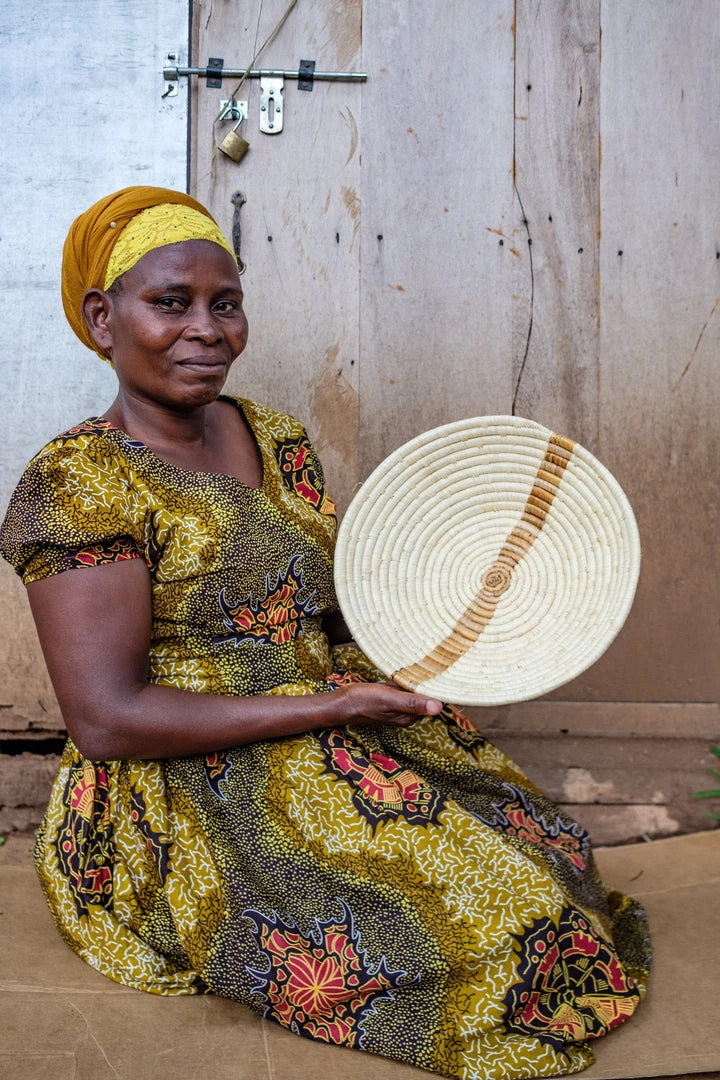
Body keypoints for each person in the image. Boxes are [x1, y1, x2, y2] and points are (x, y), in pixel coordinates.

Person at [0, 186, 650, 1080]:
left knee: (543, 854)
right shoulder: (81, 482)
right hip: (187, 780)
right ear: (102, 319)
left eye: (225, 304)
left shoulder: (272, 435)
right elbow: (107, 720)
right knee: (490, 922)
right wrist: (333, 705)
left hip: (321, 717)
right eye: (170, 303)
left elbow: (330, 603)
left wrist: (435, 637)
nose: (206, 329)